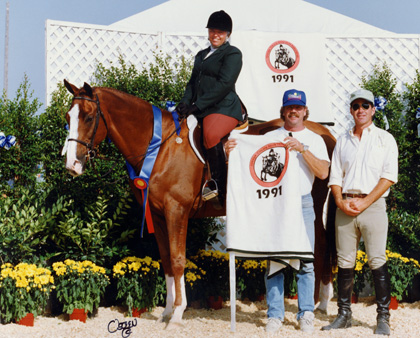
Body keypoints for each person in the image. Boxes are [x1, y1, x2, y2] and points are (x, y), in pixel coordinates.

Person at [226, 89, 330, 333]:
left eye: (298, 107)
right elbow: (250, 163)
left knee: (305, 261)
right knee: (274, 261)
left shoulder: (314, 138)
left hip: (302, 203)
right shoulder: (270, 135)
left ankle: (306, 313)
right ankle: (275, 314)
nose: (293, 111)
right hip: (274, 203)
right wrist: (230, 152)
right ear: (283, 110)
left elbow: (324, 172)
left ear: (305, 111)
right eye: (289, 107)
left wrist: (302, 149)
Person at [322, 88, 398, 335]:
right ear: (351, 110)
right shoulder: (343, 140)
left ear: (373, 109)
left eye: (366, 105)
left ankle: (383, 318)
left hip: (373, 206)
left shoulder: (385, 139)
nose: (361, 110)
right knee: (344, 262)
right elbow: (335, 176)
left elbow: (388, 177)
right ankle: (344, 315)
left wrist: (365, 203)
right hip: (345, 206)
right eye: (356, 106)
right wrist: (340, 201)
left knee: (377, 260)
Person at [176, 10, 244, 206]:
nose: (216, 35)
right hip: (200, 107)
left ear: (228, 34)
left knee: (211, 134)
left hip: (223, 106)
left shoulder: (232, 53)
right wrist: (185, 103)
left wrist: (197, 106)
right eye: (213, 31)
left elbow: (224, 84)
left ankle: (218, 187)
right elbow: (192, 84)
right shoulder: (201, 55)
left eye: (220, 32)